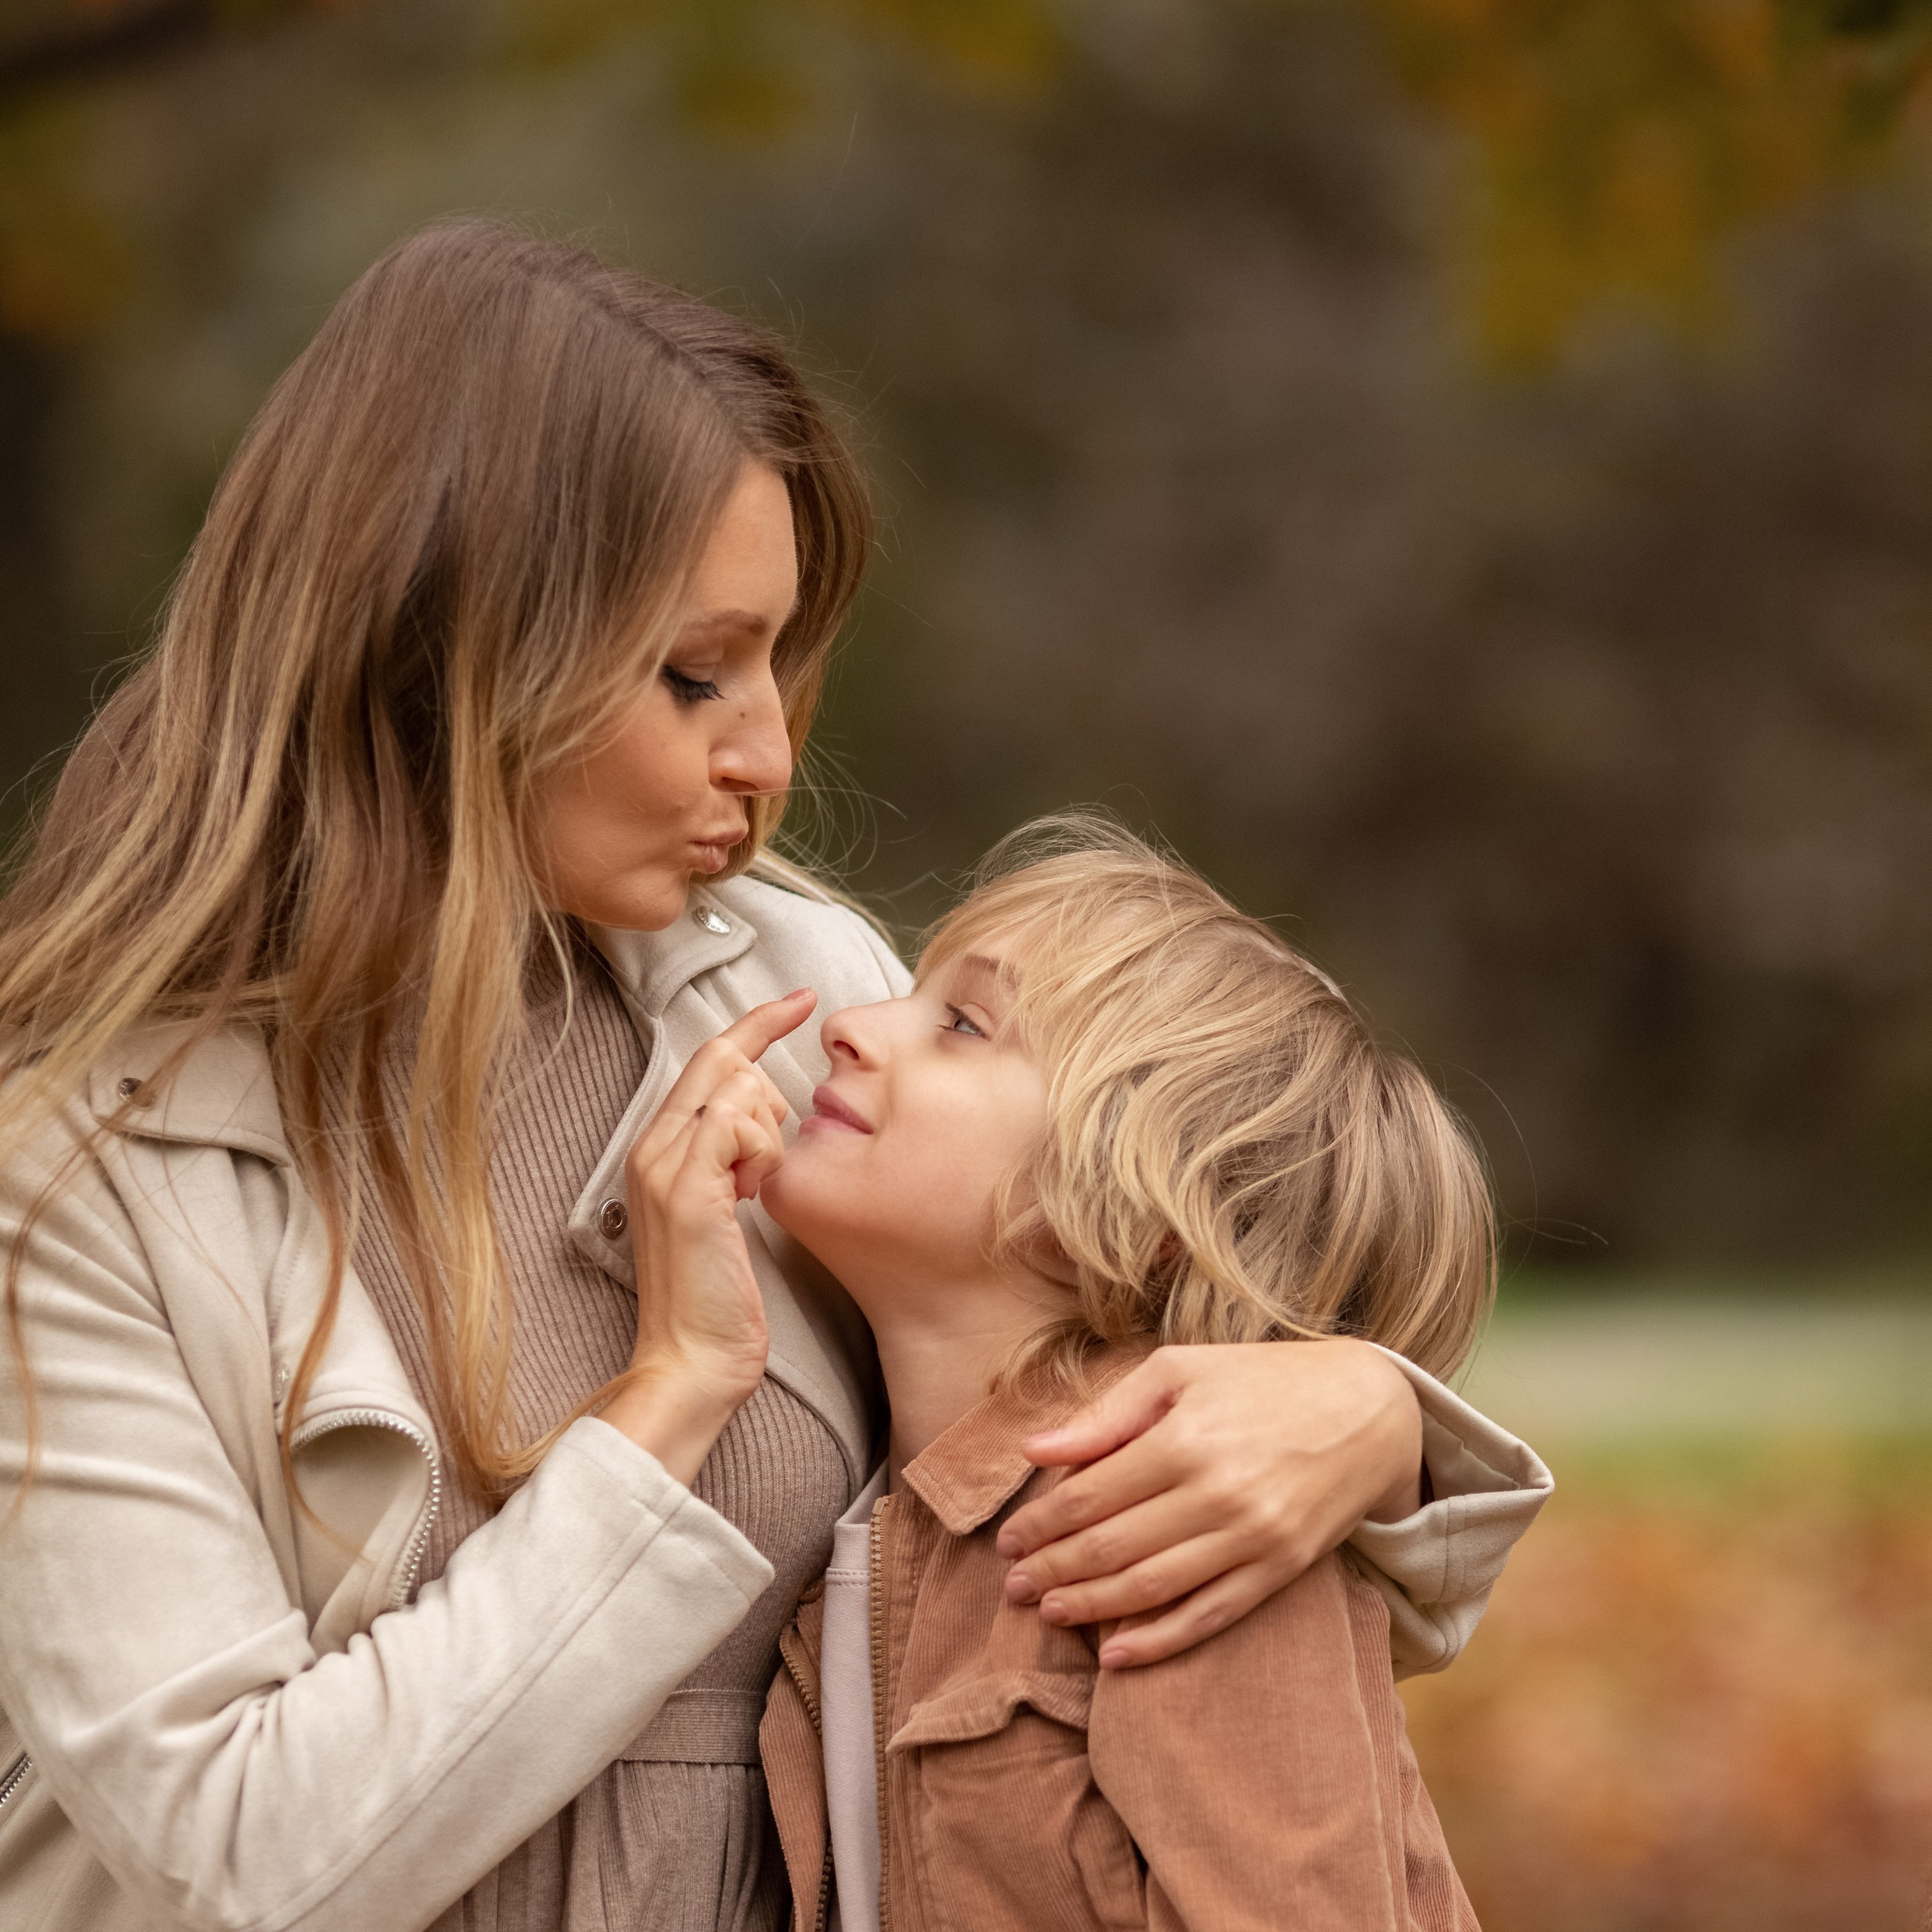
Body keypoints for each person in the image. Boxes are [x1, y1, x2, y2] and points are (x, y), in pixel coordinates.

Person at [0, 220, 1549, 1932]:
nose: (766, 753)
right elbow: (238, 1855)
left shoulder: (806, 1002)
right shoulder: (71, 1173)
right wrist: (665, 1399)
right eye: (690, 673)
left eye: (775, 660)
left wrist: (1366, 1408)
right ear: (449, 645)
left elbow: (1088, 1488)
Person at [752, 817, 1499, 1930]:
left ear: (1134, 1206)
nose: (853, 1027)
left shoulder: (1188, 1529)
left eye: (961, 1025)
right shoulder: (874, 1524)